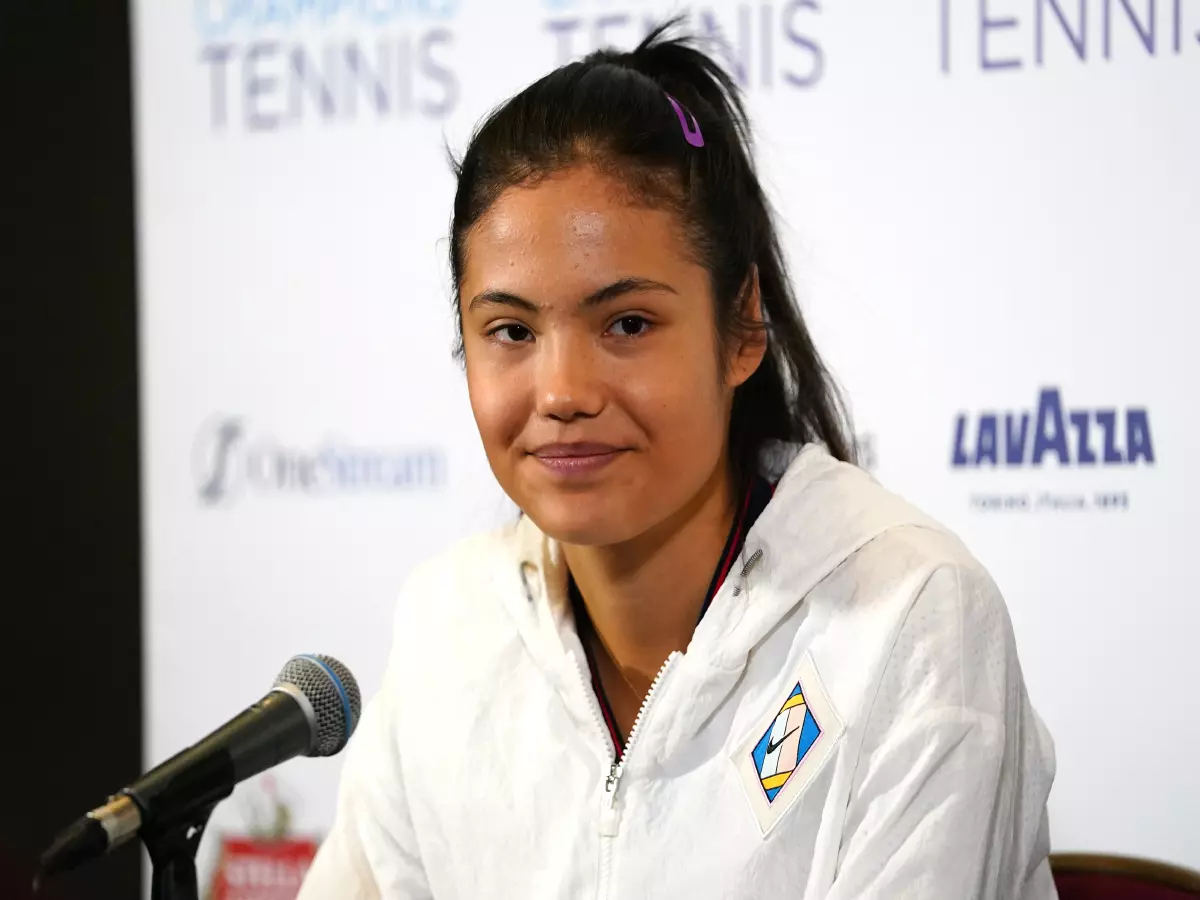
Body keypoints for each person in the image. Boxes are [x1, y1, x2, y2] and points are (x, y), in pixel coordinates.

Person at [297, 22, 1058, 900]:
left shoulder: (910, 618)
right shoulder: (448, 623)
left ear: (742, 328)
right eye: (511, 331)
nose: (562, 391)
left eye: (627, 324)